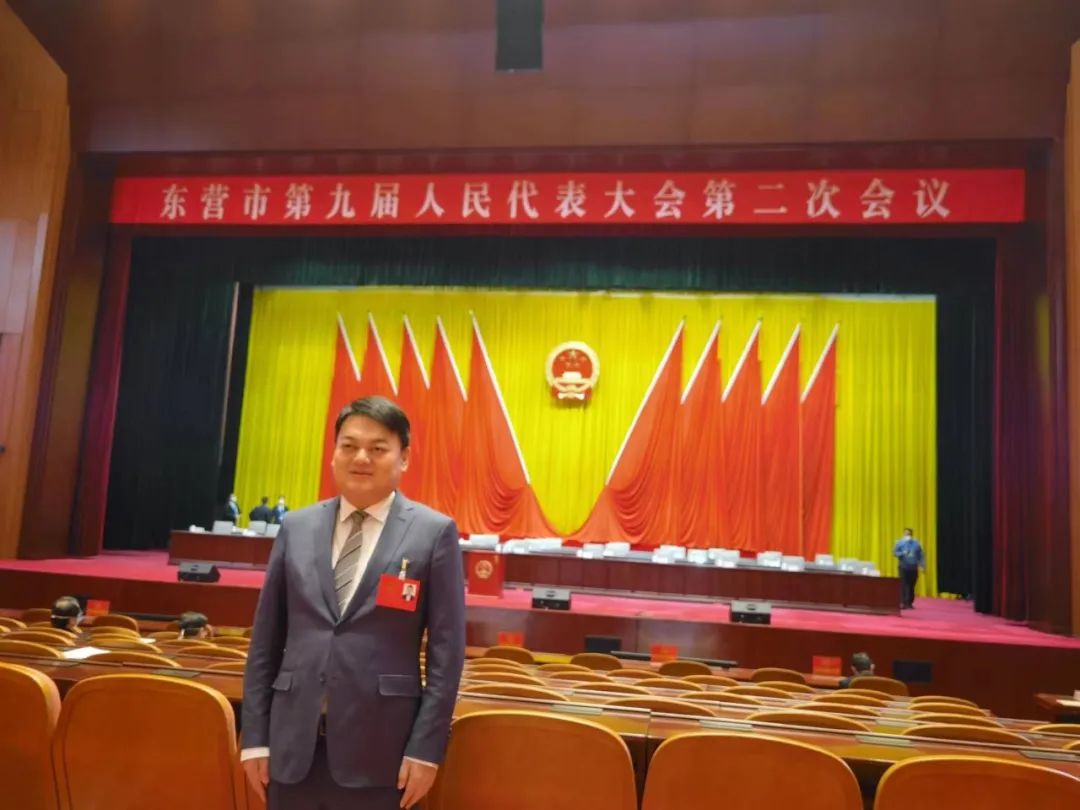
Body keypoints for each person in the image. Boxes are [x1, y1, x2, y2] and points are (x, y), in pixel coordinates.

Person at [242, 396, 465, 810]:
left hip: (383, 752)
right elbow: (265, 642)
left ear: (404, 457)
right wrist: (254, 738)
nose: (361, 458)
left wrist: (426, 748)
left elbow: (446, 655)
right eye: (349, 446)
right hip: (291, 749)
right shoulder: (297, 527)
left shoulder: (433, 533)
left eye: (378, 448)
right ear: (334, 453)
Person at [893, 527, 926, 609]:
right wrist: (902, 553)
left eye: (909, 534)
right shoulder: (899, 543)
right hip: (903, 567)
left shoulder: (916, 544)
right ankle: (903, 602)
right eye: (905, 534)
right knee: (903, 585)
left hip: (913, 567)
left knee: (911, 585)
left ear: (911, 535)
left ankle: (909, 603)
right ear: (903, 534)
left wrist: (922, 565)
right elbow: (894, 553)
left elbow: (921, 555)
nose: (907, 535)